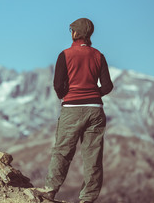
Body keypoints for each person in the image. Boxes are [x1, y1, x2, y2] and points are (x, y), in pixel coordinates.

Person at [35, 18, 113, 203]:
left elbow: (57, 84)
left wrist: (65, 95)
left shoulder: (65, 54)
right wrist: (94, 94)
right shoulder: (98, 55)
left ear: (76, 33)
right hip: (95, 110)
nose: (70, 33)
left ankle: (50, 190)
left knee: (62, 151)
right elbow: (108, 86)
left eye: (71, 30)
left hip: (72, 108)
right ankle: (88, 198)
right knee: (93, 156)